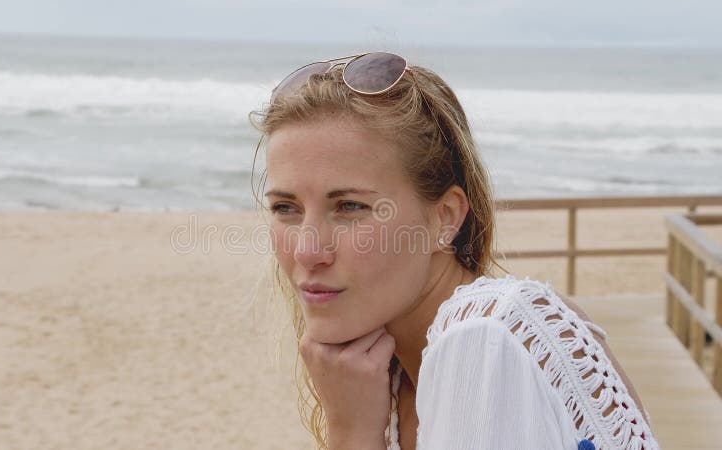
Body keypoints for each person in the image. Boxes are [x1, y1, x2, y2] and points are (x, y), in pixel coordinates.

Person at [247, 52, 660, 450]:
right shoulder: (394, 375)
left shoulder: (483, 340)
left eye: (350, 207)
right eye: (286, 208)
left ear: (444, 218)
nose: (307, 251)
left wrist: (352, 435)